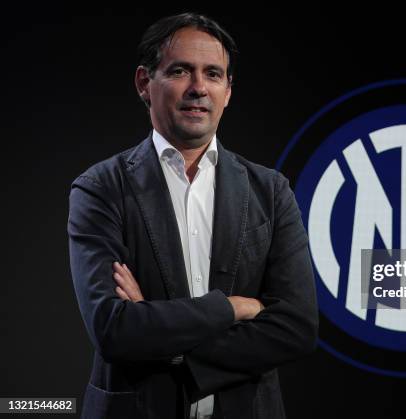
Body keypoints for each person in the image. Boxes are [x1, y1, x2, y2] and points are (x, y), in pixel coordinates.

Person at [68, 12, 318, 419]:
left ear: (228, 90)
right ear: (144, 84)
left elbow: (296, 328)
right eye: (181, 71)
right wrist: (231, 309)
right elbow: (114, 329)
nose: (198, 88)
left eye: (213, 74)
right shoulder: (100, 189)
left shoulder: (271, 191)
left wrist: (166, 342)